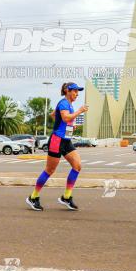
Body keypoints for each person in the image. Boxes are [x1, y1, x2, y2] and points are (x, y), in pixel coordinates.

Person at [26, 82, 87, 211]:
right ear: (67, 91)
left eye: (78, 92)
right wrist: (79, 112)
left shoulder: (68, 104)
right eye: (75, 91)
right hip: (56, 140)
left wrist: (70, 124)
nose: (77, 94)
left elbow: (54, 115)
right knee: (49, 170)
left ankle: (66, 197)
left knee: (77, 166)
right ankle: (33, 197)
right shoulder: (64, 103)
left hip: (66, 141)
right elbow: (64, 117)